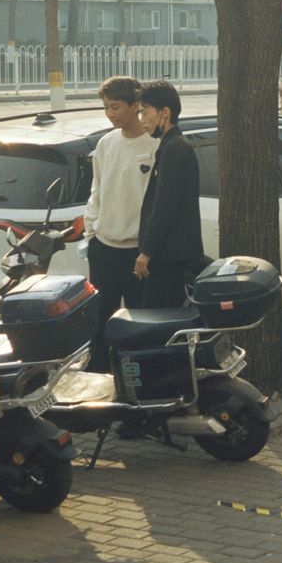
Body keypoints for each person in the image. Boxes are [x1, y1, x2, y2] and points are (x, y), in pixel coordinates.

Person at [84, 76, 156, 366]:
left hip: (139, 253)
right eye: (106, 108)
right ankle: (100, 381)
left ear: (135, 104)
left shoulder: (155, 144)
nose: (110, 113)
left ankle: (139, 384)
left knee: (140, 324)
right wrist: (91, 233)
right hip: (104, 248)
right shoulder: (105, 144)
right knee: (100, 324)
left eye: (115, 106)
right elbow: (96, 191)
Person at [135, 80, 203, 309]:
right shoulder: (172, 145)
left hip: (169, 257)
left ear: (165, 112)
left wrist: (147, 252)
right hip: (170, 255)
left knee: (158, 323)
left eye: (145, 112)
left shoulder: (175, 148)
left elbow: (165, 206)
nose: (141, 120)